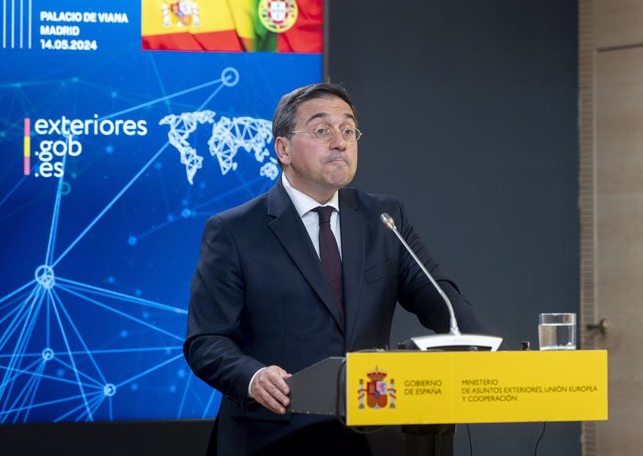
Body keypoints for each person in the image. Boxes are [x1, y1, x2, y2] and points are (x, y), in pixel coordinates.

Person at [184, 83, 490, 456]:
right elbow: (206, 341)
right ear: (283, 149)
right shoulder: (234, 231)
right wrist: (252, 377)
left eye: (348, 130)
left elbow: (439, 297)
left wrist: (489, 354)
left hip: (370, 434)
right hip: (273, 435)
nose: (340, 142)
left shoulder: (383, 219)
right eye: (322, 130)